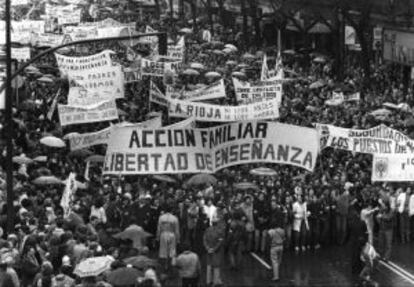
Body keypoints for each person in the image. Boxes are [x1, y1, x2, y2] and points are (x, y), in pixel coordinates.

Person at [157, 204, 180, 273]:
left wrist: (157, 237)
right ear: (172, 210)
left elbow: (159, 229)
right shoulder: (174, 218)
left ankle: (164, 267)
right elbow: (177, 230)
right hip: (172, 234)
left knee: (163, 251)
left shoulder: (161, 217)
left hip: (163, 234)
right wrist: (178, 239)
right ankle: (170, 267)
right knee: (172, 251)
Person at [203, 217, 224, 287]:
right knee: (216, 267)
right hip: (217, 252)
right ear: (217, 223)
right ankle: (216, 282)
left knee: (209, 266)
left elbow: (204, 239)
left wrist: (207, 248)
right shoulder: (220, 231)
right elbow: (220, 242)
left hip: (208, 251)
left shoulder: (207, 230)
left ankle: (208, 281)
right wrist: (214, 249)